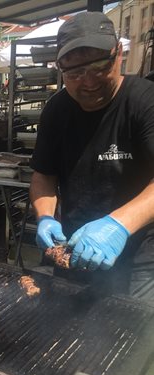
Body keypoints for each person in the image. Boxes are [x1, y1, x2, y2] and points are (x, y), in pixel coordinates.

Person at [29, 12, 154, 296]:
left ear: (118, 53)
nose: (88, 81)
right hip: (74, 252)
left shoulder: (145, 101)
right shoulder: (56, 110)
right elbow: (44, 175)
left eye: (99, 65)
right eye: (74, 73)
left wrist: (117, 225)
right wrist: (46, 217)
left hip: (140, 262)